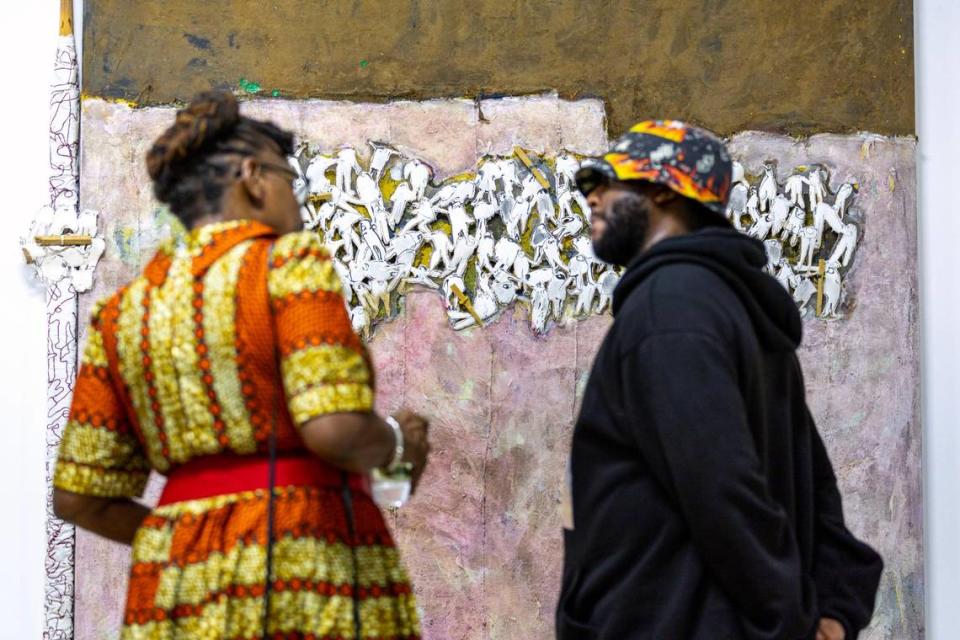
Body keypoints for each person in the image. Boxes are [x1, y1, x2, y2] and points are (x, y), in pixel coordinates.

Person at [52, 91, 429, 640]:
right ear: (253, 177)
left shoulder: (122, 312)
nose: (296, 204)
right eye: (288, 181)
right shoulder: (286, 264)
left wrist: (184, 538)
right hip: (303, 566)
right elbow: (332, 430)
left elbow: (79, 497)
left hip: (176, 591)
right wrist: (398, 444)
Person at [556, 121, 882, 640]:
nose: (591, 196)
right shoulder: (733, 308)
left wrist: (793, 620)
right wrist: (832, 610)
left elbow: (723, 488)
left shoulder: (670, 309)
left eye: (606, 181)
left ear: (662, 187)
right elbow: (815, 486)